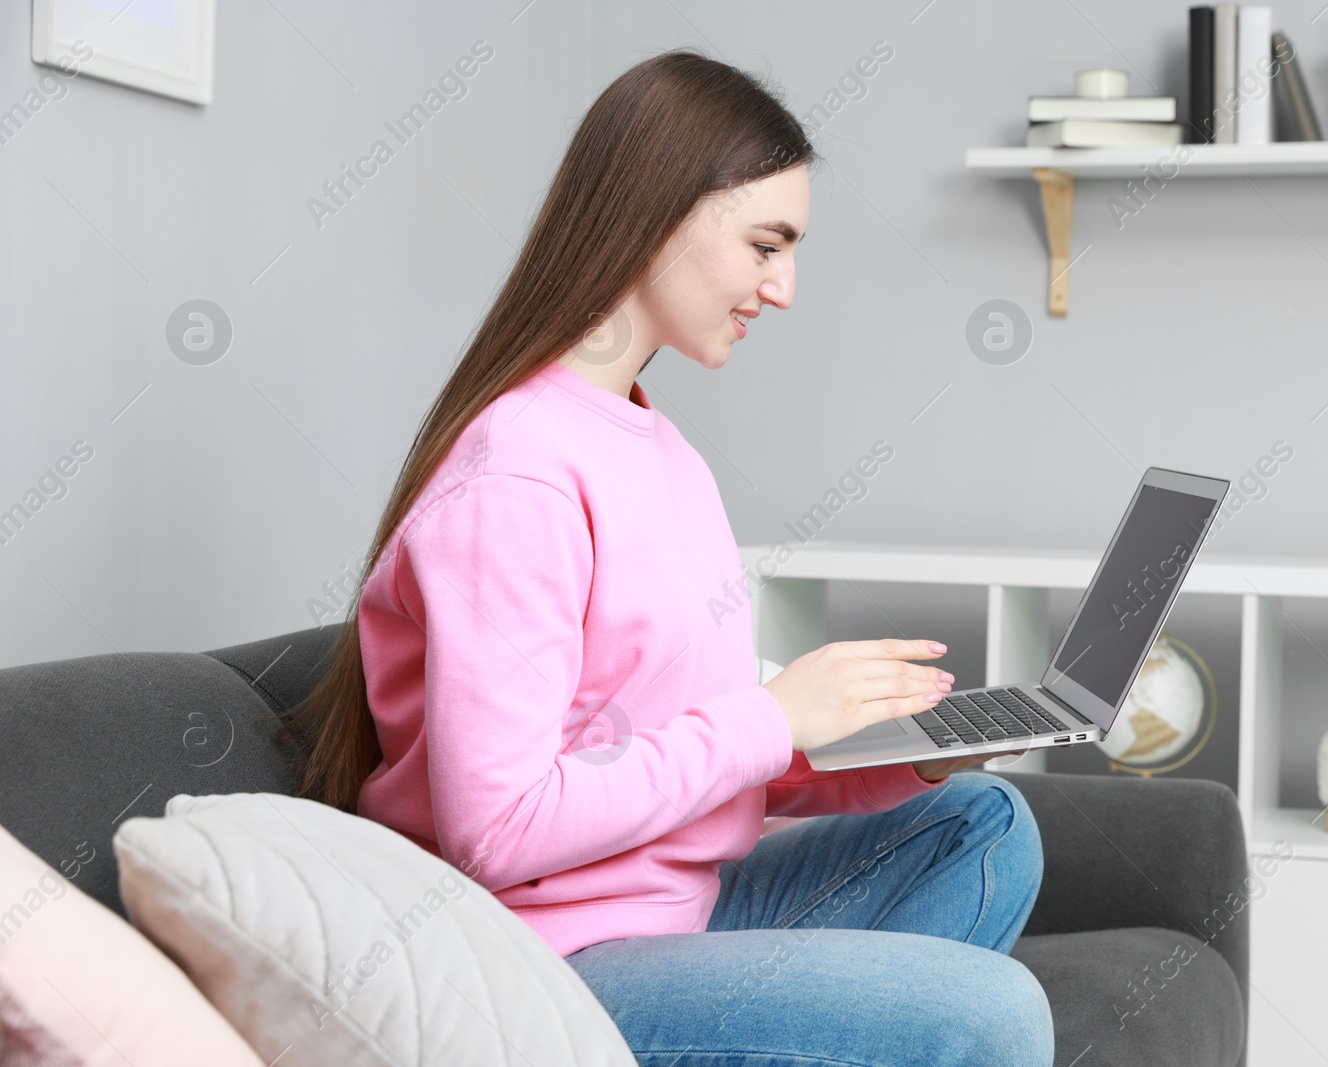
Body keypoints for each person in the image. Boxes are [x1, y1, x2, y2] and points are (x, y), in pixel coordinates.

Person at [278, 47, 1054, 1067]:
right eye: (766, 244)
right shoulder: (516, 472)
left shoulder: (659, 448)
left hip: (671, 910)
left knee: (982, 821)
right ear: (656, 214)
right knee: (990, 1014)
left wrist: (887, 749)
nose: (783, 289)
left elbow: (687, 758)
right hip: (542, 968)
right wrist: (771, 716)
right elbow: (497, 829)